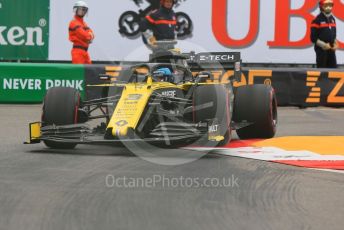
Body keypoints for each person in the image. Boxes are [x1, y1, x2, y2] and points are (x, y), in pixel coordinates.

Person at [310, 0, 338, 68]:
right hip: (321, 50)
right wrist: (323, 45)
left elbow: (333, 35)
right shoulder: (317, 20)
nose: (328, 7)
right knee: (322, 70)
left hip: (331, 49)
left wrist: (335, 43)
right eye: (326, 5)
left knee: (333, 69)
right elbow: (313, 38)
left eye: (330, 5)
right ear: (321, 6)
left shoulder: (333, 19)